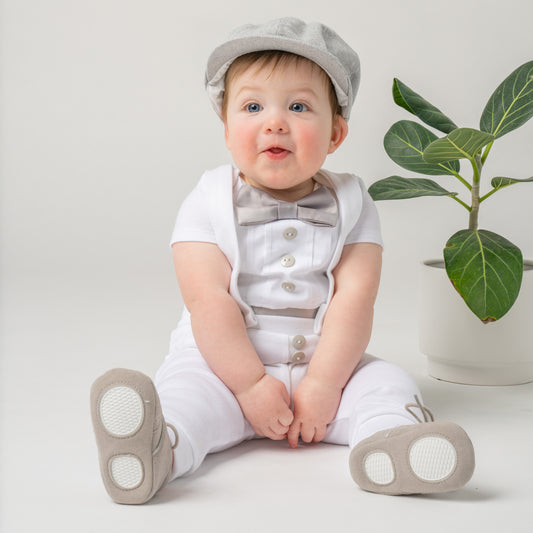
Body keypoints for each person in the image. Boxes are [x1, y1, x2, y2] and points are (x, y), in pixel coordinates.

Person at [90, 17, 475, 505]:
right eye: (252, 106)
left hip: (325, 363)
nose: (275, 122)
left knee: (386, 382)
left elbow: (355, 299)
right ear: (228, 129)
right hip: (224, 364)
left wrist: (324, 383)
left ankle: (390, 445)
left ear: (336, 133)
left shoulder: (354, 202)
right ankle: (158, 449)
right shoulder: (208, 199)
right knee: (191, 396)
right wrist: (250, 384)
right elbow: (206, 299)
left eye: (298, 106)